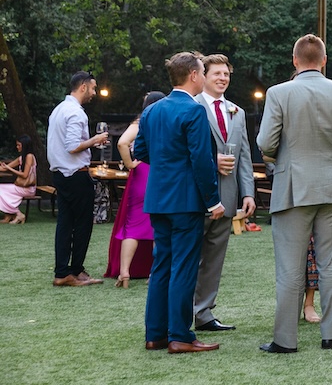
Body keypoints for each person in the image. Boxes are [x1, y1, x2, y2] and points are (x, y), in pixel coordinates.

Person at [256, 34, 332, 353]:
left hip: (292, 189)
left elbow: (265, 142)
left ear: (294, 61)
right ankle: (331, 335)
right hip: (331, 187)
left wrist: (280, 160)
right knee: (331, 264)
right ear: (324, 60)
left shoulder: (278, 92)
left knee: (290, 267)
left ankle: (285, 340)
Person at [134, 52, 224, 353]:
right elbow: (202, 160)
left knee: (161, 266)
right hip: (185, 201)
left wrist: (167, 164)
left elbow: (142, 151)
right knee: (184, 268)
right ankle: (180, 336)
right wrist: (213, 201)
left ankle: (155, 334)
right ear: (194, 75)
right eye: (202, 71)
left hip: (158, 198)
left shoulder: (152, 111)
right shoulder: (194, 111)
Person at [193, 54, 256, 332]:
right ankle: (182, 314)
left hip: (228, 196)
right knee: (191, 257)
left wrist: (248, 193)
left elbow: (243, 156)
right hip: (195, 197)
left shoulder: (237, 112)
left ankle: (204, 313)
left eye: (226, 74)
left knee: (215, 259)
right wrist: (211, 160)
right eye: (216, 73)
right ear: (203, 76)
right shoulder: (191, 107)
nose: (222, 78)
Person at [47, 71, 107, 286]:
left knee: (64, 223)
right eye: (93, 88)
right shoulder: (75, 113)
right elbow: (72, 147)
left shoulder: (59, 110)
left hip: (60, 174)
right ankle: (76, 271)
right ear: (83, 87)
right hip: (75, 175)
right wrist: (95, 140)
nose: (94, 93)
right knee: (82, 224)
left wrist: (90, 142)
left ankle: (62, 272)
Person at [105, 92, 165, 284]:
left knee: (132, 226)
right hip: (160, 174)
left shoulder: (141, 123)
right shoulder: (166, 123)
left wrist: (130, 164)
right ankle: (155, 272)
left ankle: (124, 272)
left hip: (141, 174)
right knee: (159, 225)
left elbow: (122, 142)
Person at [0, 135, 37, 224]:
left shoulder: (29, 156)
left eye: (19, 145)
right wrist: (5, 167)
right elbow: (4, 168)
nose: (17, 147)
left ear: (24, 145)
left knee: (1, 190)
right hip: (21, 187)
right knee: (2, 189)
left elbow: (25, 175)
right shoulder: (21, 158)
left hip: (28, 188)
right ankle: (8, 216)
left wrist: (10, 169)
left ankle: (18, 214)